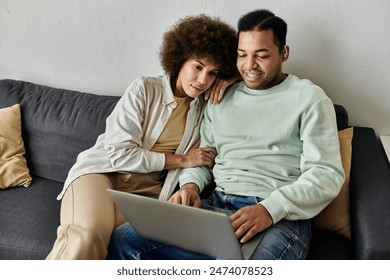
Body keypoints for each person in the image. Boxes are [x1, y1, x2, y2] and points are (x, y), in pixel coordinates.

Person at [107, 9, 345, 260]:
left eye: (261, 55)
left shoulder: (310, 99)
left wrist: (269, 209)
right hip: (217, 205)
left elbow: (326, 174)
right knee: (124, 239)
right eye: (242, 55)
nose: (249, 65)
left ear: (284, 53)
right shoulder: (219, 96)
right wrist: (190, 186)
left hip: (279, 215)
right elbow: (205, 158)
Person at [45, 14, 238, 260]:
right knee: (88, 234)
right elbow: (119, 152)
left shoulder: (207, 109)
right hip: (102, 173)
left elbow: (254, 75)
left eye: (213, 73)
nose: (203, 80)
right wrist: (181, 160)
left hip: (148, 194)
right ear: (180, 59)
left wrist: (233, 78)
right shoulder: (145, 88)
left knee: (117, 241)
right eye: (198, 67)